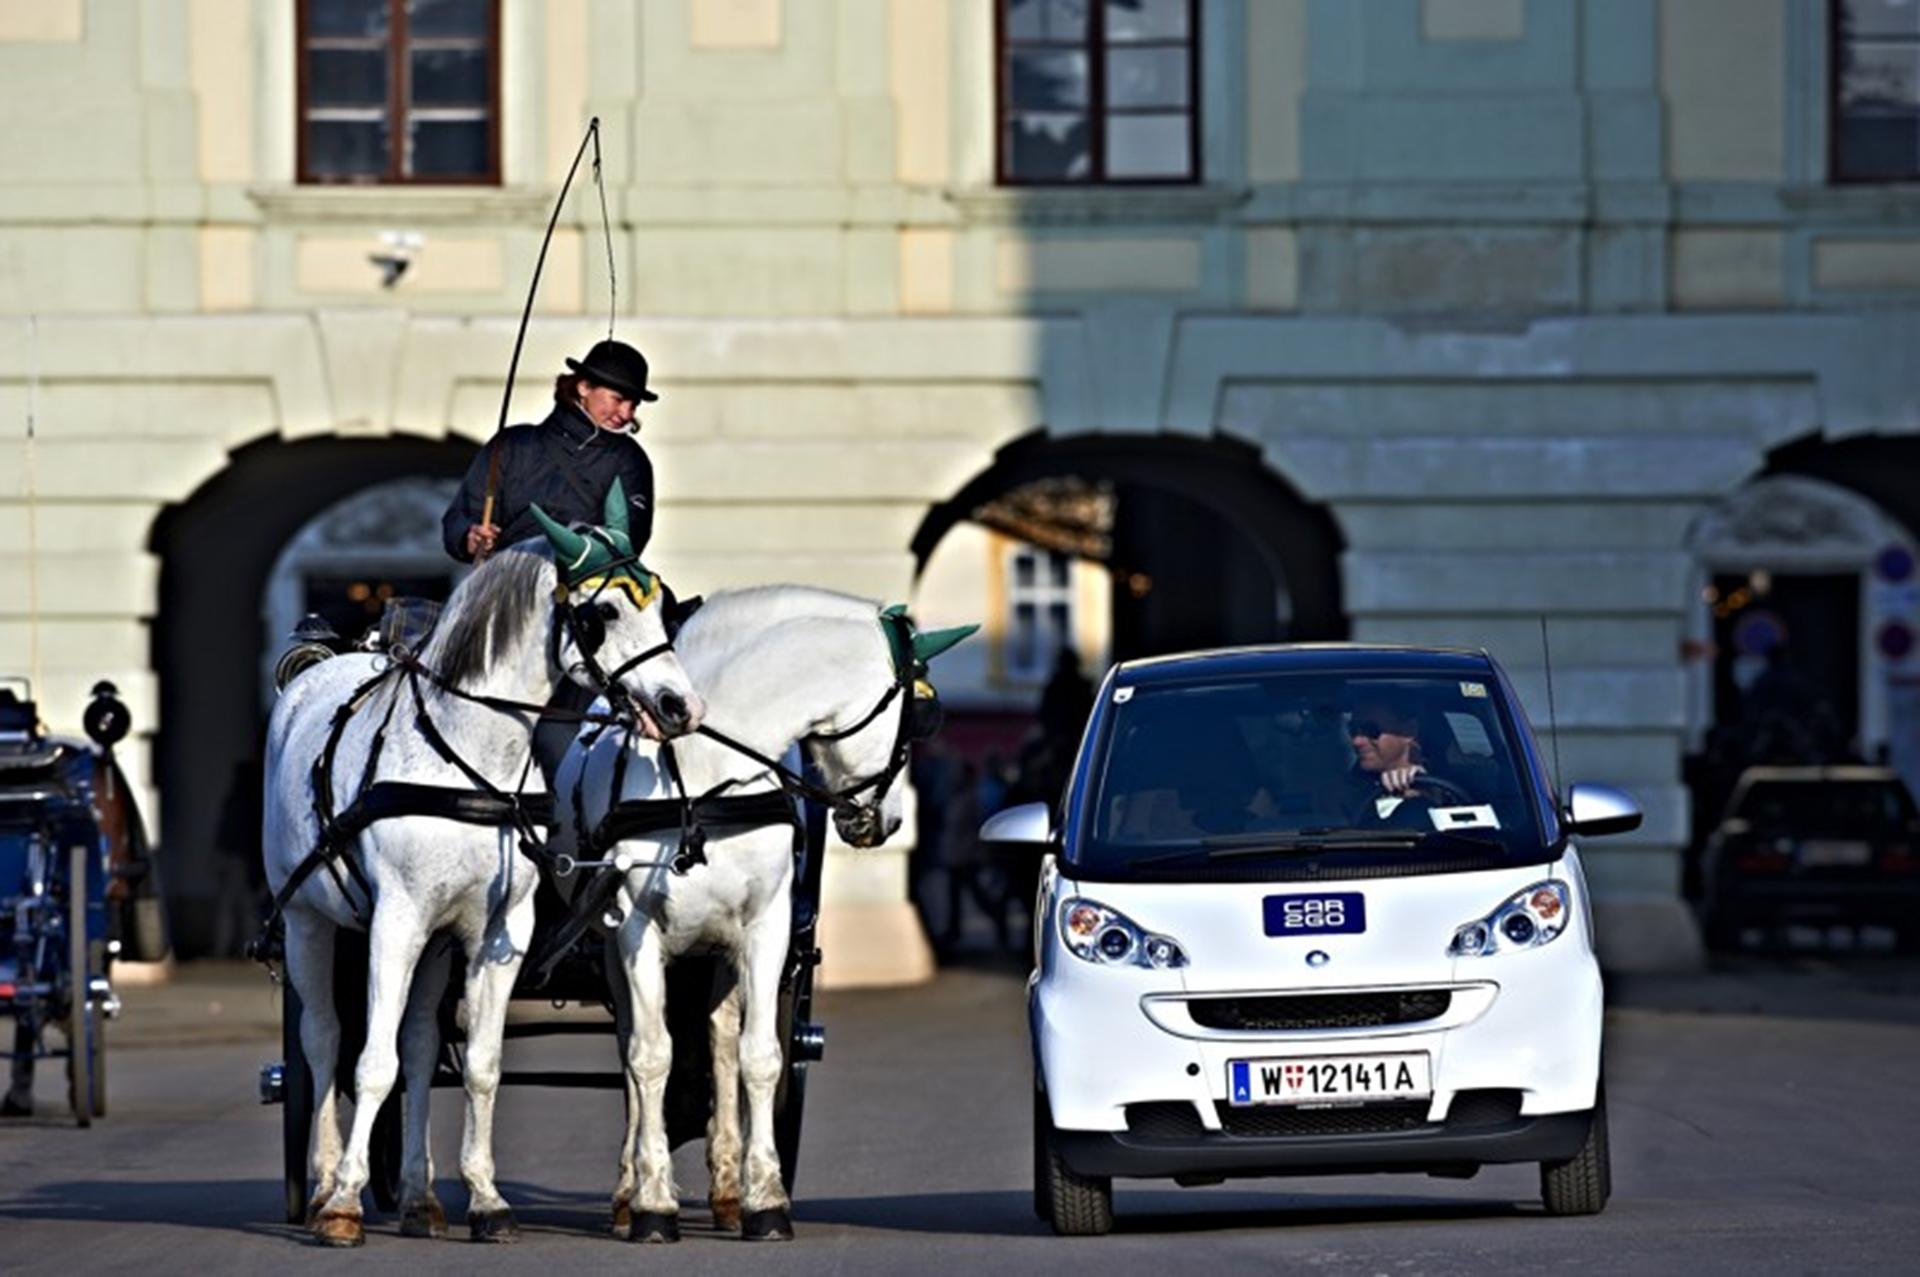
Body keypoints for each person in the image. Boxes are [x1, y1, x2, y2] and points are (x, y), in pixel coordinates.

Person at [441, 338, 658, 564]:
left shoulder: (631, 461)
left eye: (633, 405)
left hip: (584, 590)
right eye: (618, 399)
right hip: (505, 585)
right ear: (583, 387)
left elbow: (630, 539)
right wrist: (471, 537)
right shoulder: (512, 445)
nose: (626, 413)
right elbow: (462, 516)